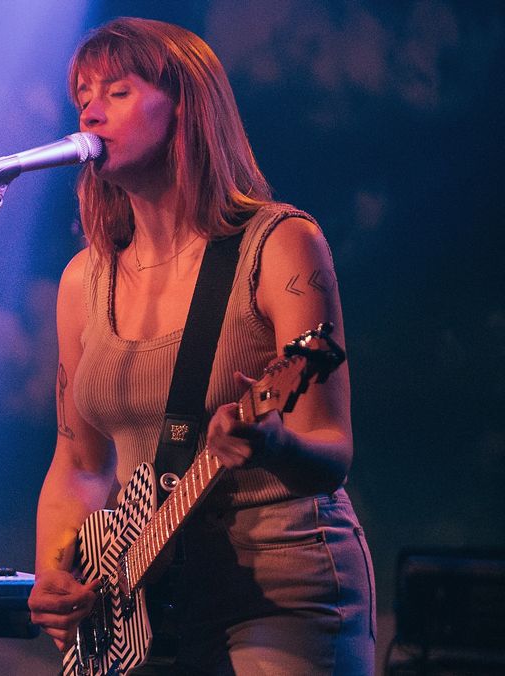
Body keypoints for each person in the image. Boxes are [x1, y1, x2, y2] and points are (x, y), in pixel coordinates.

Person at [28, 17, 376, 675]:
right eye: (83, 97)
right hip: (144, 598)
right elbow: (78, 462)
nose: (91, 111)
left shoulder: (279, 245)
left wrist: (272, 442)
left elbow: (332, 450)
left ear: (185, 107)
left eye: (118, 91)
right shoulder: (83, 280)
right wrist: (55, 571)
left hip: (280, 593)